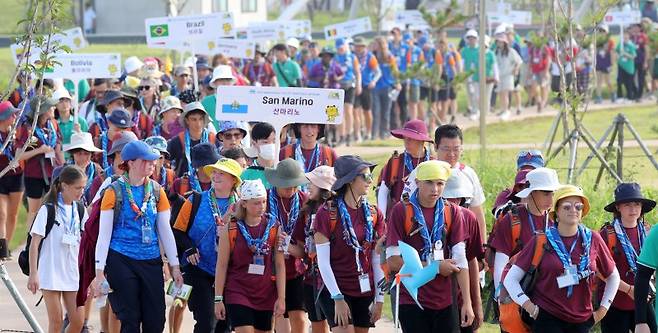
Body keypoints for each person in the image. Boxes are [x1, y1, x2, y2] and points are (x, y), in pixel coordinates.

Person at [91, 140, 183, 331]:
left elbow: (165, 231)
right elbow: (104, 235)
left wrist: (174, 266)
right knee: (130, 318)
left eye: (154, 160)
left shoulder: (158, 191)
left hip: (151, 260)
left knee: (156, 319)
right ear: (131, 162)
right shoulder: (113, 191)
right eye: (146, 160)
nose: (152, 164)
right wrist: (99, 272)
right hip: (121, 260)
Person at [503, 185, 620, 333]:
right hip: (547, 318)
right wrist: (530, 307)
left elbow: (613, 276)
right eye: (566, 207)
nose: (573, 210)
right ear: (556, 211)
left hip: (582, 321)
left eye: (578, 206)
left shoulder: (593, 239)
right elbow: (510, 279)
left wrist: (603, 309)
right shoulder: (542, 240)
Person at [385, 160, 474, 332]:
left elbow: (461, 261)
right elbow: (393, 262)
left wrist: (467, 303)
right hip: (412, 299)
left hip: (445, 301)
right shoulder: (401, 211)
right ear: (417, 183)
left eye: (440, 183)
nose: (435, 189)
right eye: (429, 182)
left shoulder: (452, 212)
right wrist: (434, 267)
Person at [314, 155, 386, 332]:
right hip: (335, 289)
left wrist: (380, 299)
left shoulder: (374, 213)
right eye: (366, 176)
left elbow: (377, 259)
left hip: (364, 289)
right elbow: (322, 262)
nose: (370, 181)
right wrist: (337, 298)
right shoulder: (327, 213)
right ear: (351, 180)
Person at [173, 158, 241, 333]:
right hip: (198, 268)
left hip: (229, 271)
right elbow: (178, 231)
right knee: (206, 321)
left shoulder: (242, 206)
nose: (216, 176)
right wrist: (189, 248)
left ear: (233, 179)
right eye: (215, 172)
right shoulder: (195, 200)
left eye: (222, 173)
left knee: (225, 324)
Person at [214, 179, 287, 332]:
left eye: (264, 202)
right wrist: (218, 298)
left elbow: (280, 265)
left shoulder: (274, 227)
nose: (261, 207)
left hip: (265, 293)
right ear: (244, 204)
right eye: (256, 203)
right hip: (238, 291)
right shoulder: (231, 227)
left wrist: (281, 298)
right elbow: (221, 265)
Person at [27, 165, 87, 333]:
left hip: (72, 272)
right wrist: (33, 273)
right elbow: (34, 243)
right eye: (77, 188)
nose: (81, 191)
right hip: (50, 271)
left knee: (77, 321)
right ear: (64, 185)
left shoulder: (80, 210)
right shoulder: (48, 209)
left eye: (83, 187)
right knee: (56, 321)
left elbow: (86, 242)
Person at [489, 167, 560, 293]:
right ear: (531, 193)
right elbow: (501, 264)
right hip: (517, 292)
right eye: (545, 193)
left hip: (550, 295)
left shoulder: (557, 221)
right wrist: (501, 297)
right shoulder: (512, 220)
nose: (551, 200)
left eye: (552, 193)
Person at [600, 183, 656, 333]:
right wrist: (629, 289)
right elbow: (601, 271)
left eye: (637, 204)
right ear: (618, 207)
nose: (633, 209)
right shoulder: (607, 235)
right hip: (615, 303)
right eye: (627, 204)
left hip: (644, 302)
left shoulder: (648, 232)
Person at [263, 158, 310, 333]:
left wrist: (288, 246)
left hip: (297, 269)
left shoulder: (306, 202)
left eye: (294, 185)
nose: (291, 189)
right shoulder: (264, 199)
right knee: (278, 316)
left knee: (299, 317)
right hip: (269, 268)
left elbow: (308, 248)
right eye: (286, 185)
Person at [442, 168, 486, 331]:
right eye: (448, 197)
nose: (454, 202)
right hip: (433, 301)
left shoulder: (468, 217)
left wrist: (476, 304)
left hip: (461, 298)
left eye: (458, 197)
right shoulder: (424, 218)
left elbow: (471, 260)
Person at [295, 166, 336, 333]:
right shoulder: (305, 213)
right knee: (318, 324)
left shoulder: (337, 211)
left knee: (339, 325)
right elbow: (301, 250)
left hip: (335, 278)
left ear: (324, 187)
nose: (308, 186)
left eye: (312, 183)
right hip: (311, 279)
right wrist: (283, 244)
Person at [433, 125, 486, 244]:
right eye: (446, 149)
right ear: (435, 147)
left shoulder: (469, 173)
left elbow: (477, 212)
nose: (451, 154)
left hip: (464, 240)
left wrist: (482, 247)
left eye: (456, 149)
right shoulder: (422, 172)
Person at [17, 96, 64, 230]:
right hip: (34, 175)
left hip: (53, 173)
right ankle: (29, 244)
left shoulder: (53, 125)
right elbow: (19, 155)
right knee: (34, 211)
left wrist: (64, 166)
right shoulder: (28, 129)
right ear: (43, 110)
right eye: (51, 107)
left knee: (54, 208)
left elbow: (58, 148)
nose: (54, 108)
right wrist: (39, 150)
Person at [377, 119, 433, 218]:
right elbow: (383, 190)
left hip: (425, 217)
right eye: (405, 138)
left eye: (411, 139)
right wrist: (382, 218)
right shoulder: (396, 161)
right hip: (397, 217)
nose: (406, 142)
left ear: (421, 140)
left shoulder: (433, 163)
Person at [167, 101, 216, 181]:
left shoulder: (213, 139)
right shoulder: (178, 140)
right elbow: (166, 161)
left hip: (210, 184)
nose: (198, 123)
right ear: (187, 120)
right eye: (194, 119)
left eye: (200, 119)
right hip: (184, 185)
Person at [0, 102, 24, 258]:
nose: (15, 117)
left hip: (17, 176)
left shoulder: (18, 132)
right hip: (1, 176)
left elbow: (23, 150)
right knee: (1, 214)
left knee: (13, 214)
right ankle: (2, 248)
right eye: (12, 115)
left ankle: (7, 246)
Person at [334, 38, 362, 146]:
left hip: (350, 85)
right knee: (339, 112)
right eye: (339, 48)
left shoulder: (352, 57)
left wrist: (359, 84)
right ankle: (341, 136)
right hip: (338, 86)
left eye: (342, 47)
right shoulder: (335, 58)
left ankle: (349, 135)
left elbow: (357, 72)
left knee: (348, 110)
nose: (341, 49)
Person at [372, 36, 400, 140]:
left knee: (386, 112)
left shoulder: (389, 56)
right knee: (376, 111)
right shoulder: (373, 56)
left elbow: (395, 71)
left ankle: (384, 132)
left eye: (376, 44)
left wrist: (397, 82)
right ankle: (374, 133)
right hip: (376, 88)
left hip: (387, 87)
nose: (374, 46)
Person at [354, 37, 381, 142]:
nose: (358, 48)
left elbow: (378, 72)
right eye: (356, 46)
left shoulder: (370, 57)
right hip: (355, 85)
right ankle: (357, 133)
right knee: (355, 111)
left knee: (367, 110)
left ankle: (368, 132)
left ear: (363, 46)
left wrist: (373, 81)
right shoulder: (352, 56)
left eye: (360, 46)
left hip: (366, 86)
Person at [63, 132, 102, 205]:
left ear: (91, 154)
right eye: (79, 153)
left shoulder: (98, 171)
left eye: (86, 154)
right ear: (73, 154)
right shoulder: (61, 172)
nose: (83, 157)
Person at [494, 35, 523, 120]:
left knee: (505, 93)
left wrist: (516, 69)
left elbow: (519, 61)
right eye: (498, 41)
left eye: (501, 41)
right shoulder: (497, 52)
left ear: (505, 42)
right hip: (499, 76)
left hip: (508, 75)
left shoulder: (511, 51)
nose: (499, 43)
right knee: (500, 93)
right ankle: (503, 109)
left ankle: (506, 111)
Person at [241, 122, 277, 189]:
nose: (271, 145)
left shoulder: (284, 170)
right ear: (254, 143)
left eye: (274, 141)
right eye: (265, 142)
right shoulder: (247, 174)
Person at [201, 65, 235, 131]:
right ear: (215, 83)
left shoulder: (239, 101)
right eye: (221, 80)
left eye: (227, 80)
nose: (225, 83)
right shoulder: (205, 102)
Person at [528, 32, 552, 112]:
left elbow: (548, 59)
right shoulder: (533, 48)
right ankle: (538, 101)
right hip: (535, 71)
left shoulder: (545, 48)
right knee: (534, 86)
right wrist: (529, 70)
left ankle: (543, 103)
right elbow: (530, 59)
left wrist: (546, 71)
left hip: (543, 71)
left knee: (543, 87)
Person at [616, 30, 638, 102]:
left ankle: (630, 97)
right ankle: (620, 97)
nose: (625, 36)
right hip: (621, 65)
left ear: (628, 36)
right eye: (623, 35)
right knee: (619, 81)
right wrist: (618, 56)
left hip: (629, 67)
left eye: (626, 35)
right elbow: (616, 52)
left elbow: (633, 56)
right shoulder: (620, 44)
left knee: (629, 83)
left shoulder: (631, 45)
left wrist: (625, 54)